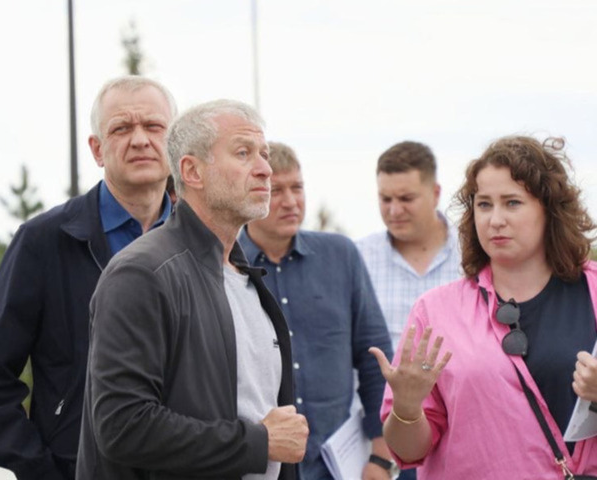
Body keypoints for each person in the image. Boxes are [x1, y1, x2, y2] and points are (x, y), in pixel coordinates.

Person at [76, 100, 308, 480]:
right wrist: (258, 443)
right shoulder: (142, 274)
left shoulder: (246, 277)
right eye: (243, 153)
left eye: (263, 155)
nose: (265, 169)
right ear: (192, 171)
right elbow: (122, 426)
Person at [0, 75, 176, 480]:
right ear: (97, 149)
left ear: (176, 142)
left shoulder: (202, 246)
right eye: (121, 128)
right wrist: (44, 471)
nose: (140, 140)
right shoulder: (43, 242)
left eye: (153, 126)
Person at [370, 136, 597, 478]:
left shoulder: (592, 290)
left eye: (512, 203)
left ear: (550, 209)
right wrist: (407, 407)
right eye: (484, 204)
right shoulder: (435, 311)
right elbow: (407, 451)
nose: (495, 220)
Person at [238, 142, 394, 480]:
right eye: (276, 190)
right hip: (257, 467)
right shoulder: (227, 266)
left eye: (297, 187)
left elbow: (375, 357)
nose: (291, 201)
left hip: (337, 467)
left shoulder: (341, 255)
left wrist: (381, 458)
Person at [357, 141, 461, 351]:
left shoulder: (473, 253)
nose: (395, 210)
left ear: (436, 194)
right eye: (386, 199)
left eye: (406, 198)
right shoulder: (359, 258)